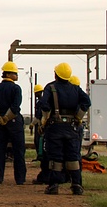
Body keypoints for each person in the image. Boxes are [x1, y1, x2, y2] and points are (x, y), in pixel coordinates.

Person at [37, 62, 91, 195]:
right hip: (71, 128)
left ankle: (54, 185)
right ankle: (76, 185)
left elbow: (44, 104)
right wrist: (78, 117)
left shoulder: (51, 88)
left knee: (55, 157)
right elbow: (86, 102)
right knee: (73, 157)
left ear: (56, 74)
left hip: (55, 128)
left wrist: (44, 119)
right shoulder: (75, 88)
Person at [0, 61, 27, 185]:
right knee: (18, 150)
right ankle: (20, 179)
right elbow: (15, 106)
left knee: (0, 151)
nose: (17, 75)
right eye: (15, 73)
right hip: (14, 121)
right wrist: (7, 118)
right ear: (9, 74)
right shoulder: (16, 88)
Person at [31, 83, 50, 184]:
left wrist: (33, 124)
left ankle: (41, 157)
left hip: (42, 126)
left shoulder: (42, 102)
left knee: (40, 143)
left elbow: (39, 115)